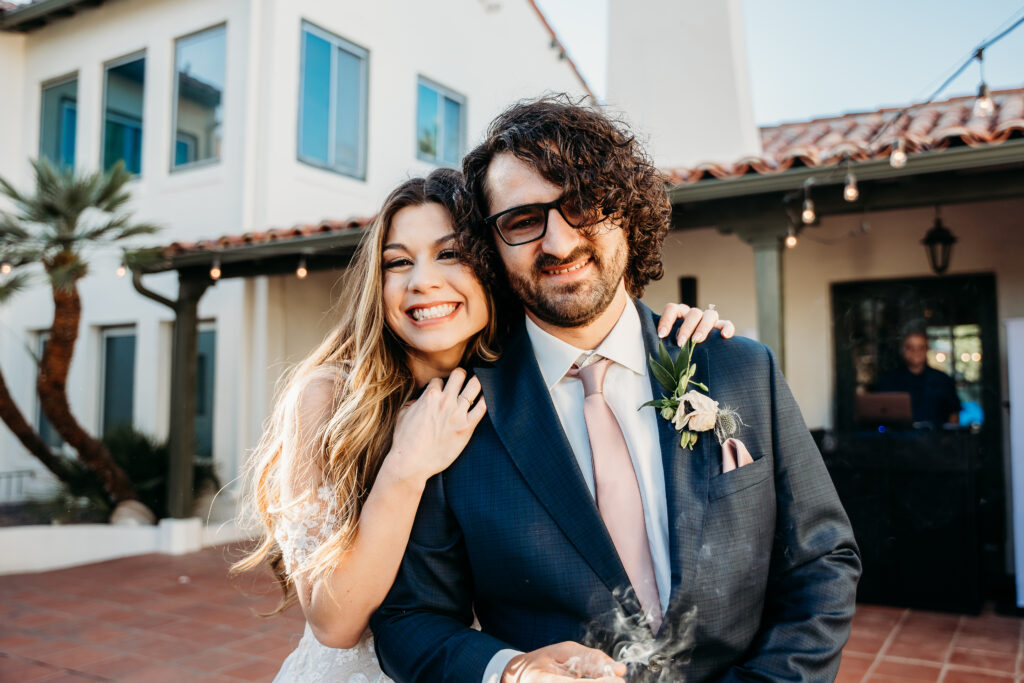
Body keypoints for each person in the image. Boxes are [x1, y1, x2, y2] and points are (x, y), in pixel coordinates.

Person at [371, 97, 862, 682]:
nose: (557, 243)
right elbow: (408, 619)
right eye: (523, 221)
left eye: (582, 203)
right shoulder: (454, 416)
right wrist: (510, 671)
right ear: (490, 249)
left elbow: (822, 560)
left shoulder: (739, 369)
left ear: (627, 210)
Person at [233, 168, 731, 682]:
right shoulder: (331, 398)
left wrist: (668, 335)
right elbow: (333, 623)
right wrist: (405, 465)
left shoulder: (519, 381)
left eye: (449, 254)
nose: (421, 280)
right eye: (398, 262)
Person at [877, 331, 961, 427]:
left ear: (926, 350)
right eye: (910, 347)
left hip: (935, 439)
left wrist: (950, 439)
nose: (916, 352)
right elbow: (879, 416)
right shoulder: (888, 380)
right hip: (899, 439)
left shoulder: (943, 380)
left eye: (921, 348)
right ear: (903, 350)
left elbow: (954, 416)